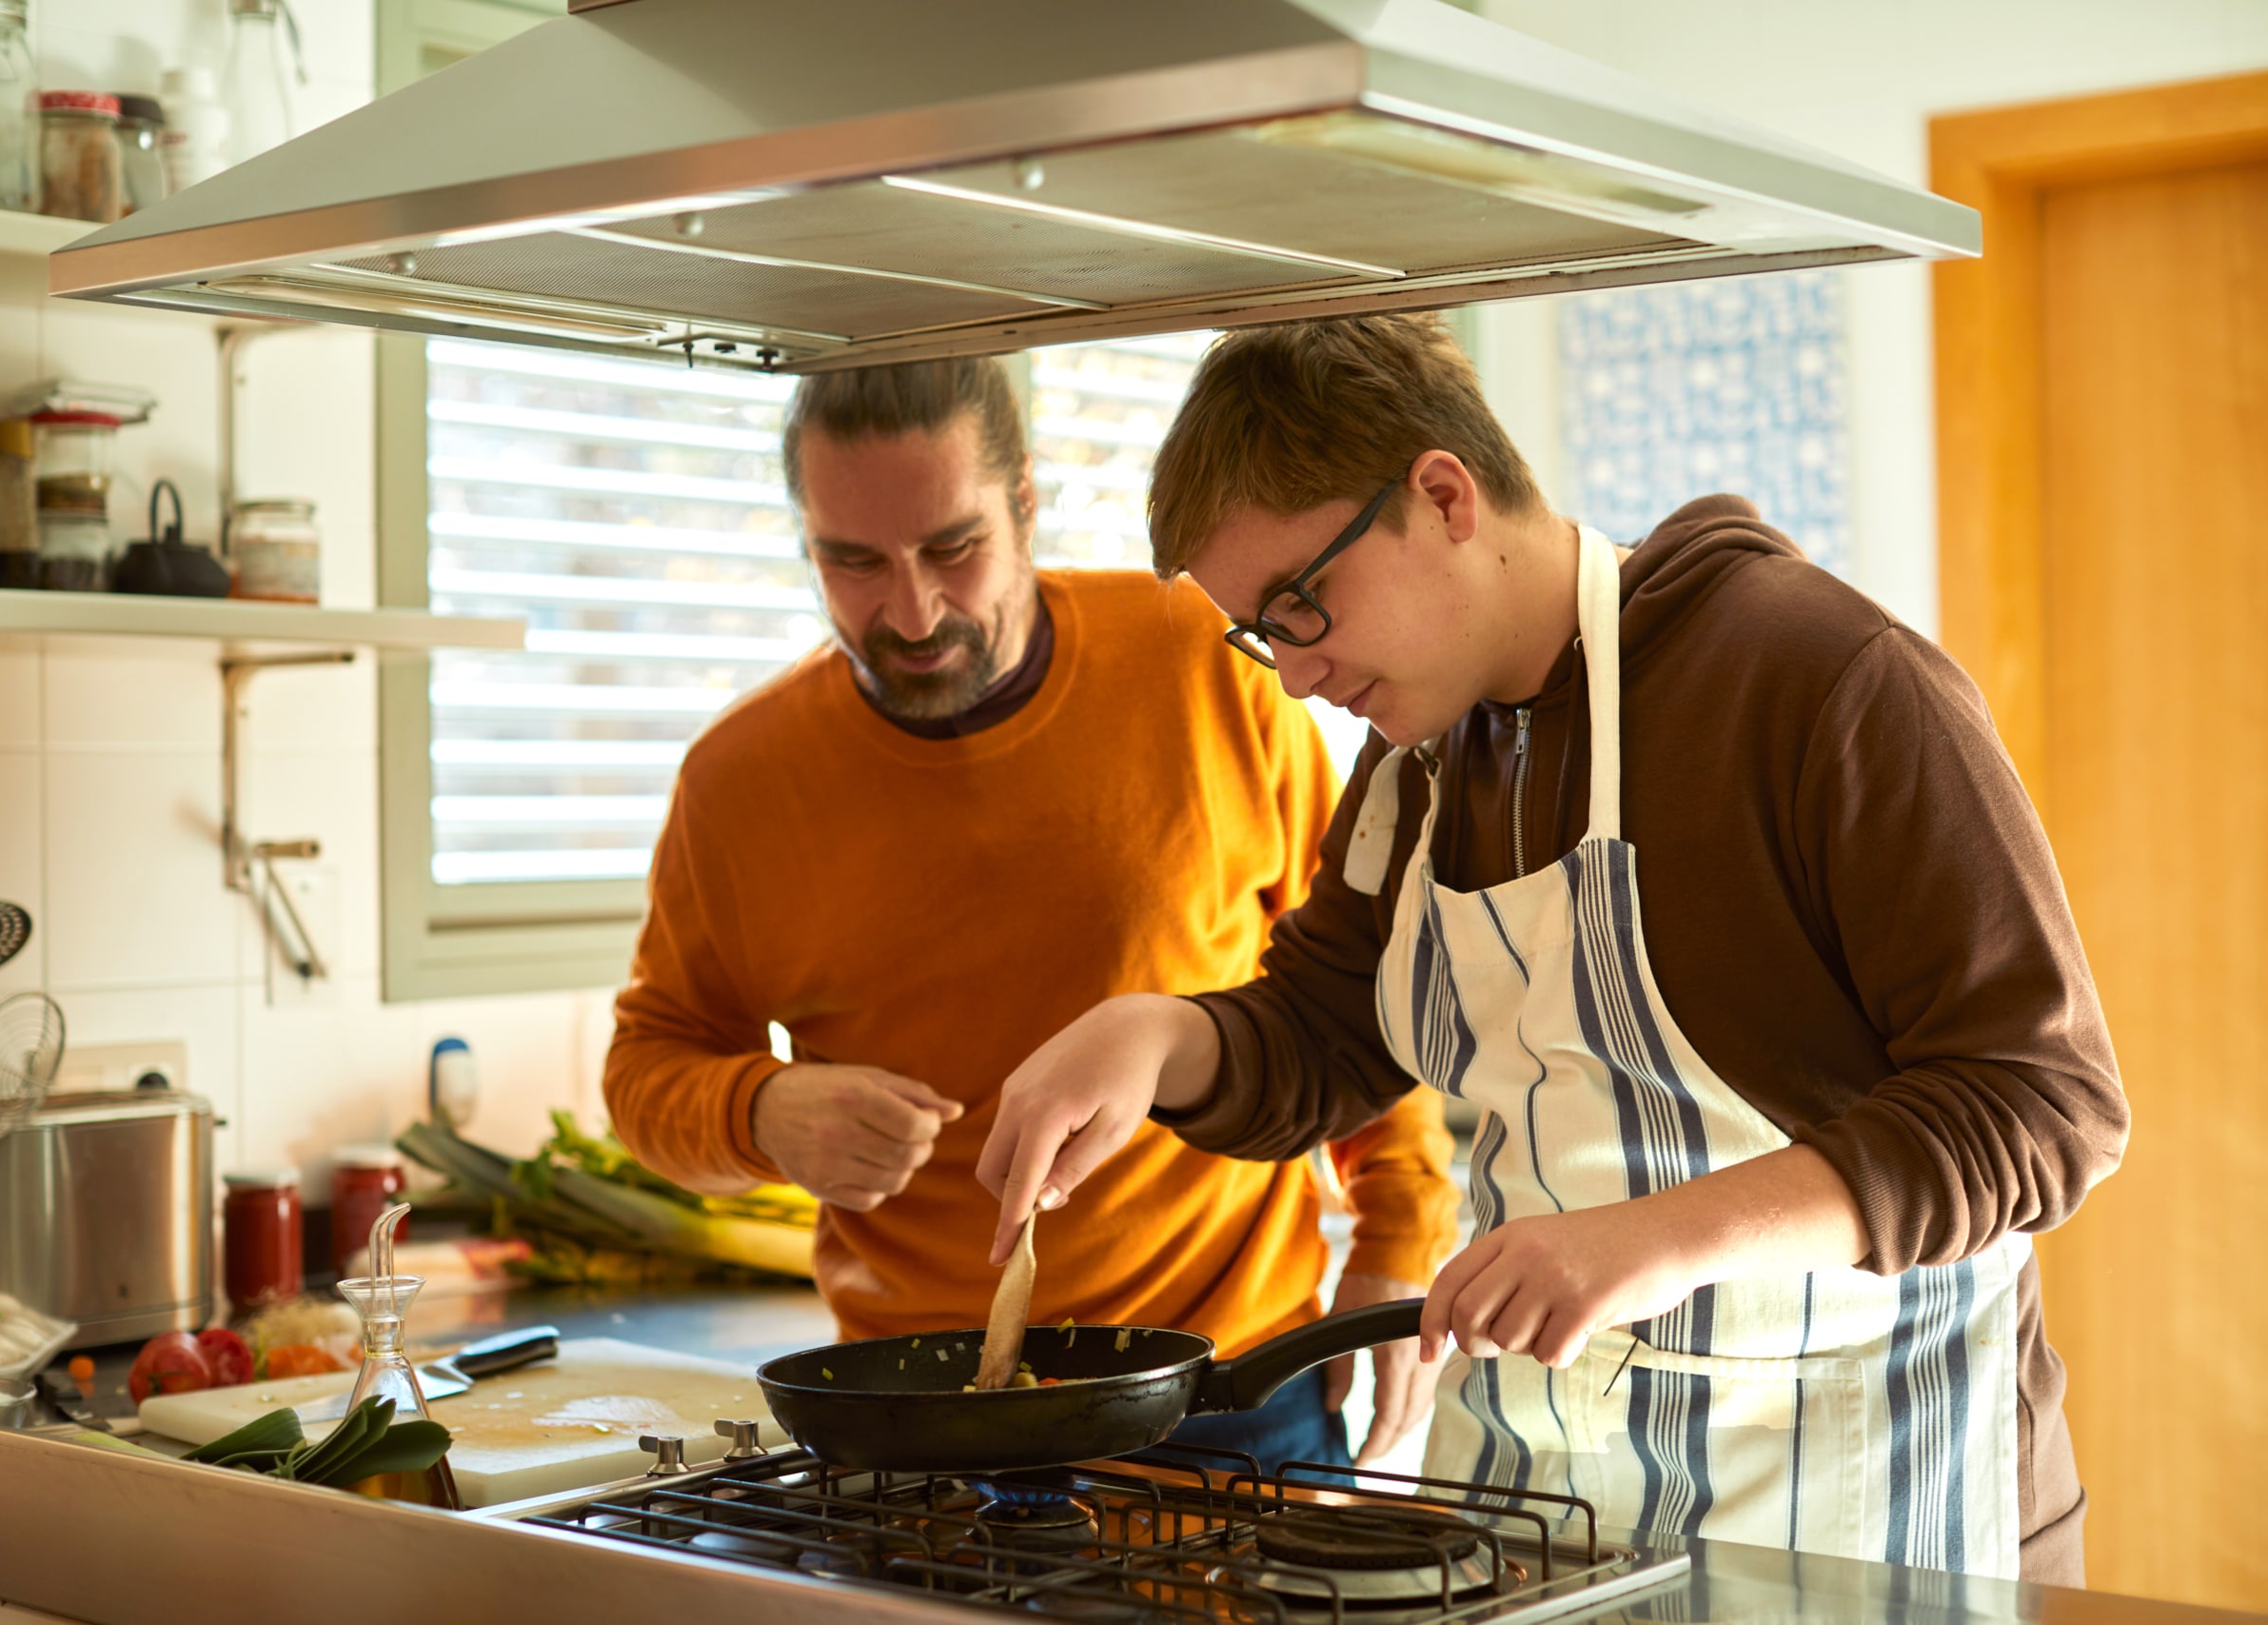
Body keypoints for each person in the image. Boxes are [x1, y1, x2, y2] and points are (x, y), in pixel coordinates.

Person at [977, 315, 2126, 1580]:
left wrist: (1649, 1237)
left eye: (1304, 604)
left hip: (1867, 1494)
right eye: (1265, 632)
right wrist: (1157, 1035)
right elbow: (1322, 1034)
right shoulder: (1417, 760)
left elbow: (2044, 1103)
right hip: (1547, 1502)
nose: (1298, 676)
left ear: (1443, 494)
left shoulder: (1825, 683)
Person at [603, 355, 1459, 1471]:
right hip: (916, 1416)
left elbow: (1355, 988)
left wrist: (1397, 1232)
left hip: (1234, 1384)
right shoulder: (740, 781)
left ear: (1023, 506)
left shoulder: (1210, 662)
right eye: (852, 562)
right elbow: (645, 1069)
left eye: (951, 549)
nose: (909, 611)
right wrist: (758, 1112)